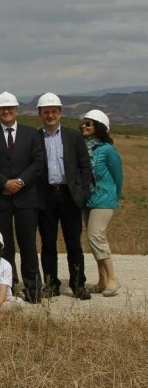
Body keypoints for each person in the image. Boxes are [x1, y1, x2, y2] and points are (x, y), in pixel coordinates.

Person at [0, 91, 46, 303]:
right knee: (3, 244)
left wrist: (19, 183)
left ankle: (33, 290)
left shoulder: (31, 134)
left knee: (28, 244)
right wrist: (4, 183)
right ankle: (9, 288)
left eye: (10, 108)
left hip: (26, 198)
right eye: (2, 109)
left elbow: (37, 163)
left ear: (16, 110)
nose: (6, 112)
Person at [36, 93, 93, 300]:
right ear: (40, 114)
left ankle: (78, 285)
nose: (50, 115)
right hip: (46, 197)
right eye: (46, 112)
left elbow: (85, 166)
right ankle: (51, 285)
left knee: (73, 243)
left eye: (53, 112)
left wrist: (81, 191)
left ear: (60, 113)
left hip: (69, 196)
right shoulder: (35, 137)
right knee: (48, 243)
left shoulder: (73, 136)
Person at [81, 110, 123, 297]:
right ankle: (102, 280)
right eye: (83, 123)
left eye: (89, 124)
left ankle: (113, 278)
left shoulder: (107, 150)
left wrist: (113, 197)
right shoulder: (83, 147)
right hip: (88, 199)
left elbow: (118, 176)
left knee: (96, 235)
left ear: (99, 127)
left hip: (104, 199)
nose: (84, 126)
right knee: (92, 240)